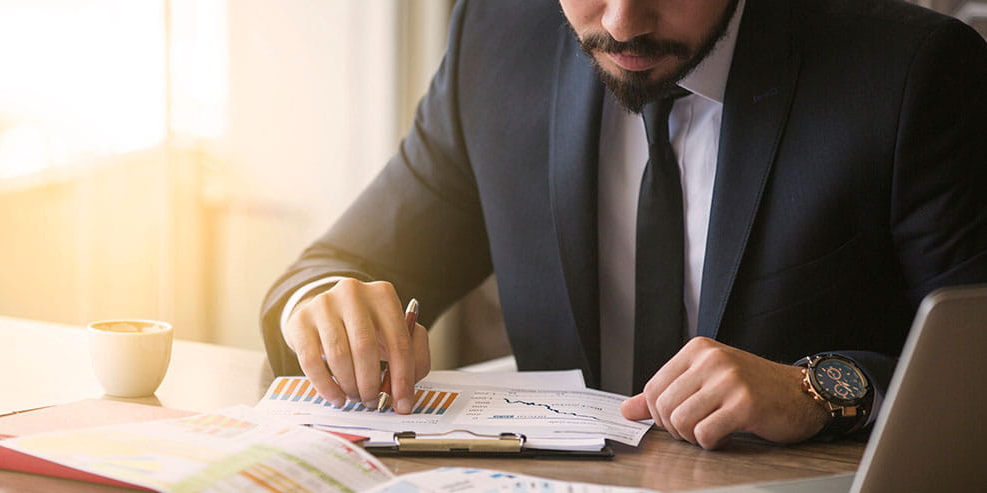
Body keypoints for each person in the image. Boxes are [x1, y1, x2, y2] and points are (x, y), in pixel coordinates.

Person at [260, 0, 987, 450]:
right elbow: (335, 266)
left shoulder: (911, 73)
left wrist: (818, 393)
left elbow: (974, 363)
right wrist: (324, 305)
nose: (621, 21)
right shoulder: (498, 40)